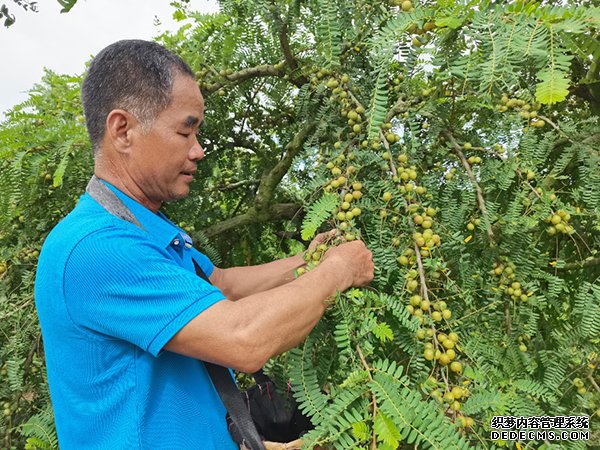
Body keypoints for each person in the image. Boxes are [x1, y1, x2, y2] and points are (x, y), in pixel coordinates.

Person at [34, 39, 373, 449]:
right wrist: (338, 270)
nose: (199, 149)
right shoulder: (97, 248)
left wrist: (309, 258)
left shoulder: (147, 233)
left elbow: (222, 286)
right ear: (122, 130)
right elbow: (244, 338)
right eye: (185, 130)